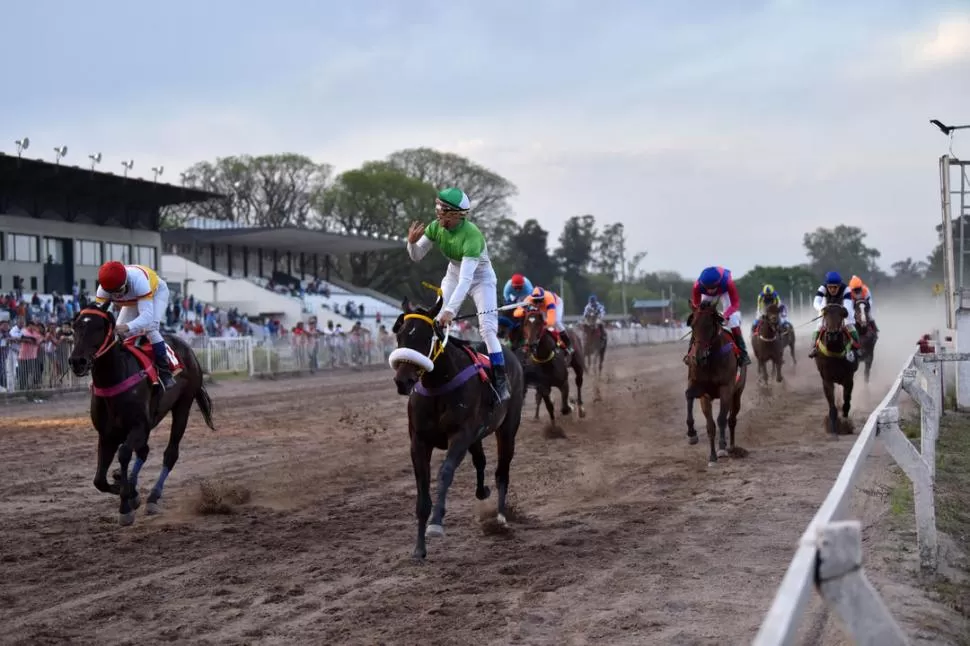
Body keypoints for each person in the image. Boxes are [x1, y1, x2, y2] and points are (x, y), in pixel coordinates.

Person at [406, 187, 511, 402]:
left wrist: (450, 311)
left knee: (487, 328)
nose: (438, 214)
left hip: (481, 279)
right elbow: (416, 256)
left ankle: (500, 380)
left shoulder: (472, 236)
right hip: (454, 273)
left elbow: (467, 281)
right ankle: (431, 372)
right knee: (436, 321)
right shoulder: (436, 227)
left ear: (455, 214)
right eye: (438, 208)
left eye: (442, 210)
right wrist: (411, 242)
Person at [95, 260, 176, 388]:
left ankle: (165, 373)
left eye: (119, 290)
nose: (117, 295)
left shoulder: (138, 281)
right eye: (113, 293)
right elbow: (99, 316)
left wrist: (127, 326)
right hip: (132, 300)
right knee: (119, 336)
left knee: (150, 329)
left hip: (156, 293)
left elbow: (147, 316)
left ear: (126, 281)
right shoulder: (103, 289)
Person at [690, 266, 751, 366]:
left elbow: (735, 304)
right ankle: (690, 351)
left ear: (717, 283)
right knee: (699, 321)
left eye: (712, 288)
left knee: (733, 320)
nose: (710, 291)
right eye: (707, 288)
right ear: (703, 284)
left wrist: (726, 315)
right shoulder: (697, 286)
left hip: (724, 292)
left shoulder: (728, 283)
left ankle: (743, 353)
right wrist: (699, 311)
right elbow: (696, 307)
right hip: (708, 295)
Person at [808, 271, 860, 359]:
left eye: (835, 287)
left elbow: (847, 306)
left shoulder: (846, 289)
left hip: (841, 308)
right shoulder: (822, 288)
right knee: (819, 325)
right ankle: (814, 348)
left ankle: (857, 348)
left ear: (839, 286)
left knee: (850, 325)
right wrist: (822, 310)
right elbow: (816, 302)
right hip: (827, 307)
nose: (832, 290)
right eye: (830, 287)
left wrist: (843, 313)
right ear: (826, 285)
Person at [523, 286, 573, 355]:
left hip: (556, 304)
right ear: (532, 299)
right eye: (535, 301)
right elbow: (519, 311)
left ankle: (568, 344)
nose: (537, 303)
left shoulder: (549, 299)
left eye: (540, 300)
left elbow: (551, 320)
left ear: (543, 298)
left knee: (556, 322)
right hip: (543, 308)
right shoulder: (528, 300)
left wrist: (546, 323)